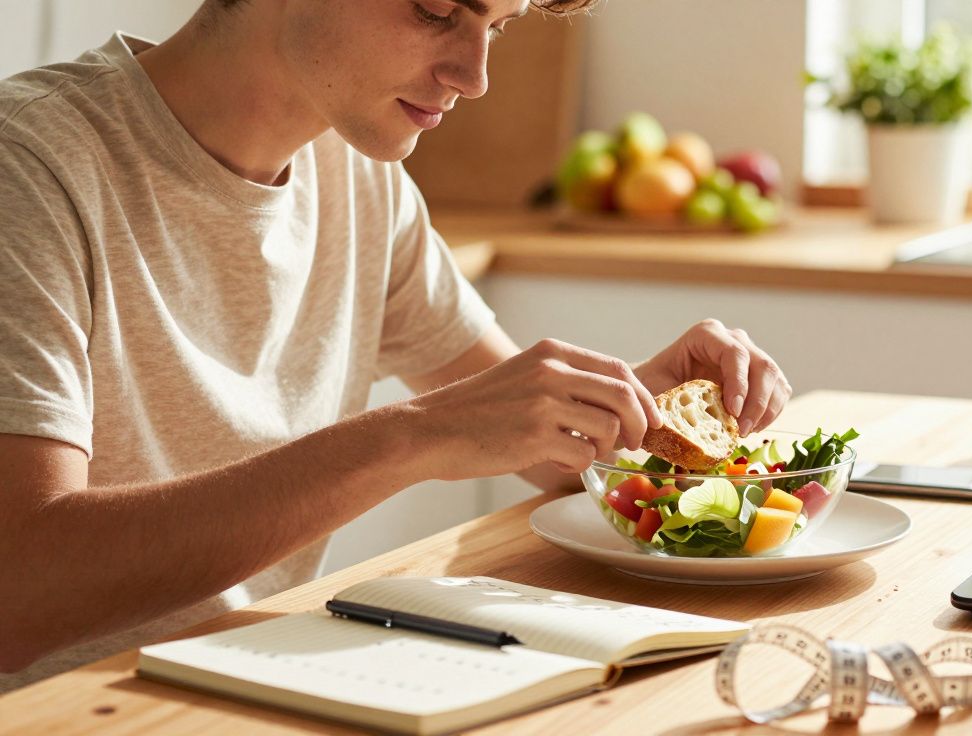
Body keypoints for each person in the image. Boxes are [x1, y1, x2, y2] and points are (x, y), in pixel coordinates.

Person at [0, 0, 792, 690]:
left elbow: (542, 446)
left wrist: (640, 403)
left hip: (253, 684)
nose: (476, 75)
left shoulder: (358, 177)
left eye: (497, 27)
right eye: (436, 9)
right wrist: (415, 437)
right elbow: (17, 595)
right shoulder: (31, 170)